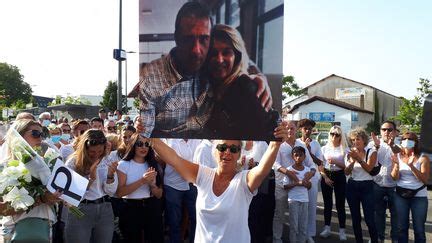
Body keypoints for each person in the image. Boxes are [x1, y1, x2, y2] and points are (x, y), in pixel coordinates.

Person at [138, 2, 272, 138]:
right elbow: (144, 135)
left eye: (204, 39)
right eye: (188, 39)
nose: (196, 50)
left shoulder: (239, 84)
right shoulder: (154, 78)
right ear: (177, 37)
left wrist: (258, 75)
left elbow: (237, 57)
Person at [148, 122, 287, 242]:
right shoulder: (203, 175)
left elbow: (262, 169)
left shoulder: (244, 181)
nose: (227, 152)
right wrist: (148, 134)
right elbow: (174, 158)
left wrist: (275, 145)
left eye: (233, 149)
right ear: (214, 151)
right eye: (222, 148)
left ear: (239, 154)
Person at [202, 24, 280, 140]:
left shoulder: (247, 88)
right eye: (213, 54)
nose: (219, 59)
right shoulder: (209, 84)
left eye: (226, 52)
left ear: (236, 56)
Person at [0, 119, 61, 242]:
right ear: (18, 136)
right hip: (15, 231)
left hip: (43, 229)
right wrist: (40, 199)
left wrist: (57, 197)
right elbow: (2, 209)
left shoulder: (46, 164)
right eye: (35, 134)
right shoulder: (4, 167)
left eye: (42, 134)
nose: (40, 138)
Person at [64, 129, 118, 243]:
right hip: (80, 209)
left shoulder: (107, 159)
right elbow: (71, 197)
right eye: (92, 151)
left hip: (105, 208)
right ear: (84, 149)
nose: (96, 155)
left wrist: (110, 176)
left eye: (100, 151)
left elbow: (111, 192)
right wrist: (90, 179)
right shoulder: (72, 163)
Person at [272, 120, 315, 243]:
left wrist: (310, 174)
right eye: (287, 128)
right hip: (282, 185)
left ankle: (303, 237)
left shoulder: (301, 144)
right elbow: (274, 163)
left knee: (300, 217)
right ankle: (277, 239)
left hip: (298, 188)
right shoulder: (278, 144)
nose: (289, 130)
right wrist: (288, 172)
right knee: (279, 214)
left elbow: (311, 164)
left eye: (292, 128)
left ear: (296, 129)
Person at [116, 134, 164, 243]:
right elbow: (119, 193)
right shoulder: (123, 165)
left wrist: (152, 186)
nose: (144, 147)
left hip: (151, 206)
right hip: (130, 207)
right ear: (133, 145)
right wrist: (142, 181)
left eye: (147, 144)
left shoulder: (154, 164)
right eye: (139, 144)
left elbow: (159, 195)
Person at [391, 132, 429, 243]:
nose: (407, 141)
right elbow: (394, 178)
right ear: (401, 141)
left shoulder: (423, 158)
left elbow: (424, 179)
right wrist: (397, 165)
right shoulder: (397, 156)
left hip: (419, 196)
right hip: (400, 195)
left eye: (411, 139)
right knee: (401, 228)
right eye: (404, 138)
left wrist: (411, 166)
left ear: (416, 142)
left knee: (419, 229)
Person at [344, 127, 379, 243]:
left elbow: (369, 168)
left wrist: (358, 159)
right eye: (353, 140)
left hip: (367, 186)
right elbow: (346, 172)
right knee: (355, 218)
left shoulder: (371, 152)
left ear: (364, 140)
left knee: (369, 218)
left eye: (357, 139)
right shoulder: (350, 153)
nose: (355, 142)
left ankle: (374, 240)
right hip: (352, 186)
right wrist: (352, 162)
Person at [163, 139, 201, 243]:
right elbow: (173, 161)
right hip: (173, 185)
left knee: (196, 218)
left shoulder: (198, 140)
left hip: (193, 184)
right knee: (174, 221)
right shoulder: (170, 141)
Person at [370, 121, 400, 243]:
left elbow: (400, 153)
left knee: (396, 215)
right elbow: (369, 161)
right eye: (384, 129)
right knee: (378, 214)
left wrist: (392, 145)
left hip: (395, 186)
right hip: (377, 184)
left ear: (395, 131)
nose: (386, 132)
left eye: (389, 129)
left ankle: (395, 239)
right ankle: (379, 238)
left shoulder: (399, 145)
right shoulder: (373, 144)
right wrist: (376, 147)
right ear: (380, 131)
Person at [297, 118, 324, 243]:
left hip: (312, 178)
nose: (307, 131)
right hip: (298, 178)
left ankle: (309, 234)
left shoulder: (316, 144)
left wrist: (308, 150)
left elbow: (319, 162)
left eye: (310, 129)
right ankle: (298, 232)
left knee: (311, 206)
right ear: (300, 130)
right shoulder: (296, 142)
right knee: (298, 207)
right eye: (305, 128)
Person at [319, 125, 348, 241]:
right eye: (332, 133)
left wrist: (336, 161)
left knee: (340, 204)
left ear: (341, 136)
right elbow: (320, 166)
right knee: (327, 203)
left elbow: (347, 168)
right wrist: (325, 177)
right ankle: (327, 228)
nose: (334, 136)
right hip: (327, 174)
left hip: (340, 175)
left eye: (337, 134)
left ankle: (342, 230)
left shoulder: (345, 149)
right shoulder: (324, 148)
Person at [283, 146, 312, 243]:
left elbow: (309, 186)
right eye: (296, 155)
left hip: (304, 200)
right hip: (293, 200)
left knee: (303, 226)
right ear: (292, 156)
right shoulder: (289, 169)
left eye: (301, 155)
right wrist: (297, 183)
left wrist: (307, 184)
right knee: (294, 226)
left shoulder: (307, 170)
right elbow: (285, 186)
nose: (298, 157)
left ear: (304, 156)